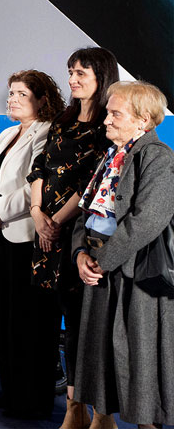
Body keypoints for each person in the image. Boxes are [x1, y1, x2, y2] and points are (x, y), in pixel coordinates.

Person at [26, 47, 119, 429]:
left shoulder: (108, 125)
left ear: (101, 76)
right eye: (70, 72)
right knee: (64, 321)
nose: (73, 79)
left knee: (89, 326)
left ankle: (100, 412)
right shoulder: (63, 122)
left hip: (79, 237)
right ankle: (73, 407)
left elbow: (93, 183)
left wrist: (57, 223)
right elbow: (39, 168)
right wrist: (37, 214)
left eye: (81, 73)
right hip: (45, 236)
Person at [73, 81, 174, 429]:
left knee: (141, 363)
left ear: (143, 120)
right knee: (101, 360)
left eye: (116, 114)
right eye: (108, 113)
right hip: (101, 269)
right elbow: (86, 214)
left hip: (135, 276)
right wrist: (80, 255)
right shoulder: (112, 155)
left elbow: (147, 220)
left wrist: (101, 261)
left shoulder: (158, 157)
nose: (106, 121)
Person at [0, 69, 65, 419]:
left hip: (29, 238)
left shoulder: (49, 134)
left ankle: (33, 400)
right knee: (8, 319)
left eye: (20, 94)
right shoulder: (5, 134)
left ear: (42, 99)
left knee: (32, 323)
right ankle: (12, 395)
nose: (11, 99)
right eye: (10, 92)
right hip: (2, 237)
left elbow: (36, 185)